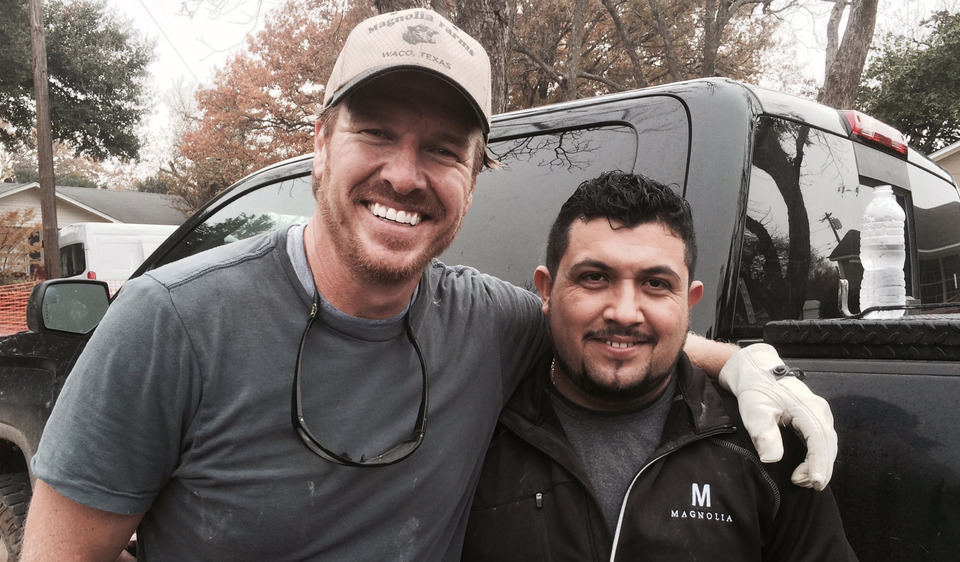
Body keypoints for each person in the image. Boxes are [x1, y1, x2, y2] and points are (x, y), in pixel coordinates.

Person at [22, 9, 835, 562]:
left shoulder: (489, 322)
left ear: (476, 174)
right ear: (321, 143)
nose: (405, 175)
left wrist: (744, 364)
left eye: (445, 149)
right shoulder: (171, 321)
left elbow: (613, 324)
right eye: (375, 133)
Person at [462, 171, 855, 561]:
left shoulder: (763, 443)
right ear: (546, 290)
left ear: (689, 301)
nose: (625, 313)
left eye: (655, 284)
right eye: (595, 277)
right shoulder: (477, 429)